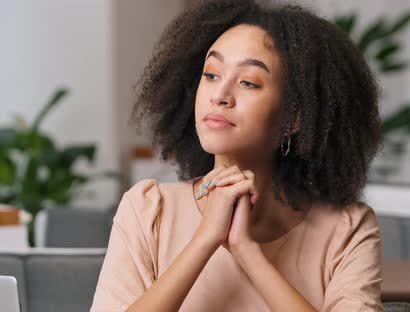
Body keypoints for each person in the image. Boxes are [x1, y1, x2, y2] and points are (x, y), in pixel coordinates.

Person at [91, 0, 384, 311]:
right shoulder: (149, 210)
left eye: (248, 82)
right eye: (211, 74)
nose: (219, 95)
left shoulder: (346, 229)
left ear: (295, 117)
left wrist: (247, 251)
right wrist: (204, 240)